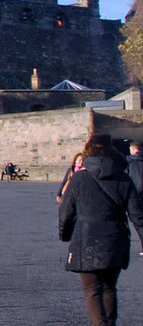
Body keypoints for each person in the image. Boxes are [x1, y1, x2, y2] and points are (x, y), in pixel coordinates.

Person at [59, 133, 143, 326]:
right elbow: (138, 215)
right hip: (115, 238)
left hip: (86, 238)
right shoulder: (124, 179)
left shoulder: (80, 179)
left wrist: (64, 234)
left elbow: (66, 211)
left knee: (92, 290)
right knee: (109, 288)